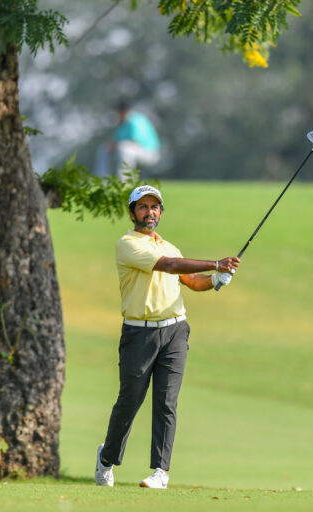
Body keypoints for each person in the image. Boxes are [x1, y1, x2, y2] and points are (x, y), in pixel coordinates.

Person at [95, 185, 240, 489]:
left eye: (155, 207)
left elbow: (190, 280)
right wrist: (216, 263)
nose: (150, 212)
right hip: (139, 334)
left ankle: (160, 471)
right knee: (130, 400)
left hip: (175, 331)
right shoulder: (127, 245)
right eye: (143, 207)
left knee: (166, 401)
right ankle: (107, 458)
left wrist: (216, 280)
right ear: (132, 212)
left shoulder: (169, 246)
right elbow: (169, 266)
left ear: (160, 212)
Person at [95, 101, 161, 180]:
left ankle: (125, 183)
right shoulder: (122, 124)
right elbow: (114, 142)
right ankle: (101, 180)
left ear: (123, 112)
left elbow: (136, 143)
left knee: (124, 148)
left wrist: (117, 145)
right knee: (104, 148)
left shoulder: (136, 121)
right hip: (132, 152)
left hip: (150, 153)